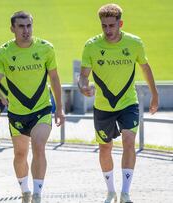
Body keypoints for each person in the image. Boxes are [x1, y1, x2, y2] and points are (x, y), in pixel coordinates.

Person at [78, 4, 159, 203]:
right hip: (103, 107)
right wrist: (83, 87)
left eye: (111, 25)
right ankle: (111, 191)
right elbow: (83, 76)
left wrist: (155, 95)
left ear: (120, 23)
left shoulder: (134, 43)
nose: (108, 30)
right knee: (105, 148)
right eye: (104, 26)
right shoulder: (92, 46)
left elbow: (145, 68)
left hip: (128, 102)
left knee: (129, 141)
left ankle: (125, 193)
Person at [0, 11, 65, 203]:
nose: (26, 30)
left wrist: (60, 108)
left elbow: (54, 78)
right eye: (21, 26)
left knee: (39, 146)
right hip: (17, 113)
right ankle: (25, 192)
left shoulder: (46, 48)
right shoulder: (4, 52)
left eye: (29, 26)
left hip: (42, 110)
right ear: (12, 28)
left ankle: (37, 194)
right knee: (20, 154)